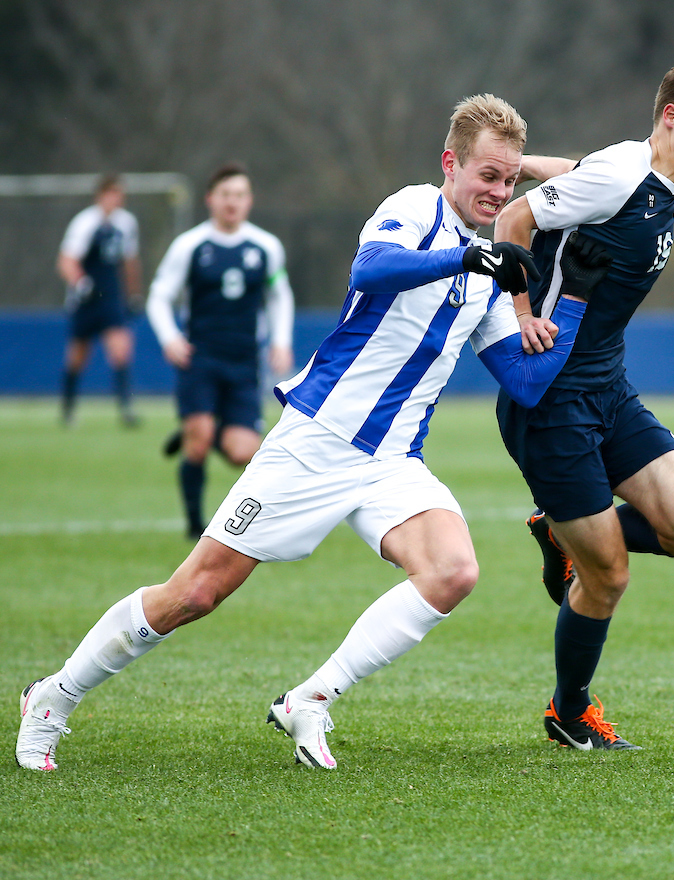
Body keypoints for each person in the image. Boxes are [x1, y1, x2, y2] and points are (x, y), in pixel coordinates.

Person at [16, 93, 612, 773]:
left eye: (510, 181)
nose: (499, 192)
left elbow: (526, 382)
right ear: (451, 164)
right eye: (488, 176)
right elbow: (371, 270)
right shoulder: (417, 208)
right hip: (317, 439)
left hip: (391, 460)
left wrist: (575, 299)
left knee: (453, 570)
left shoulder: (490, 267)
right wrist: (467, 262)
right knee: (195, 593)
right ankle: (54, 697)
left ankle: (311, 698)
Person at [491, 58, 674, 750]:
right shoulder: (622, 173)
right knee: (608, 575)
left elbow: (585, 174)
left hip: (609, 388)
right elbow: (511, 221)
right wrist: (518, 312)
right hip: (552, 397)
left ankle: (558, 529)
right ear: (670, 116)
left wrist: (531, 162)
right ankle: (570, 713)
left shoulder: (642, 172)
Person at [146, 165, 295, 539]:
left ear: (249, 201)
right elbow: (159, 296)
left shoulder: (265, 247)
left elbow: (279, 295)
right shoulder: (191, 246)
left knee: (242, 452)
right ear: (211, 199)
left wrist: (281, 340)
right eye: (226, 195)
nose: (233, 202)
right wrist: (169, 337)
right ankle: (195, 526)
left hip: (244, 361)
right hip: (201, 359)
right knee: (198, 443)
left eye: (240, 195)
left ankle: (202, 430)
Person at [57, 173, 142, 427]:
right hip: (85, 299)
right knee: (78, 355)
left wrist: (134, 294)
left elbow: (130, 262)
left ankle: (126, 409)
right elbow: (66, 261)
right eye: (112, 194)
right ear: (101, 196)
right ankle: (68, 408)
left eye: (120, 195)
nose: (117, 200)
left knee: (121, 350)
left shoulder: (126, 224)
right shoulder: (84, 223)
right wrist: (81, 283)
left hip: (110, 297)